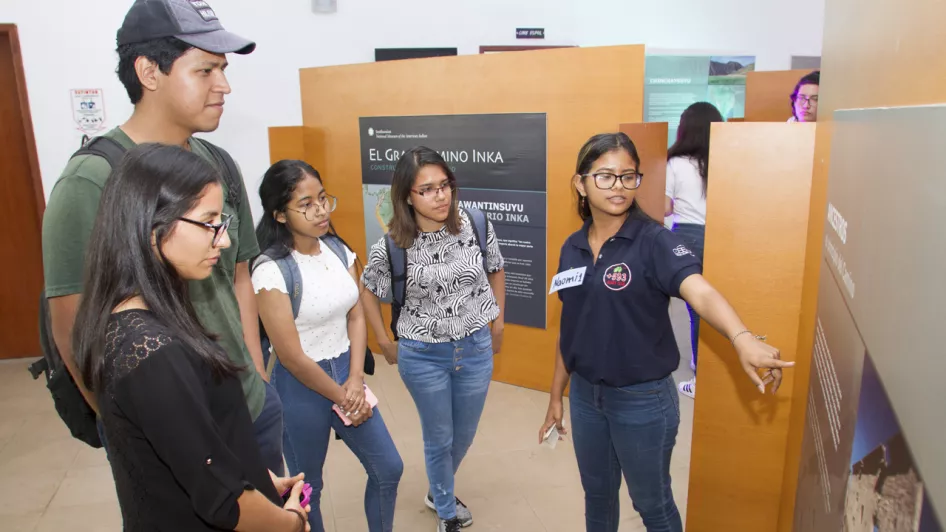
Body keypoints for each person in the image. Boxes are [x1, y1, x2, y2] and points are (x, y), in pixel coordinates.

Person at [40, 0, 285, 473]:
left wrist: (255, 377)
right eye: (206, 70)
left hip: (249, 406)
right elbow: (72, 326)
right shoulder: (91, 182)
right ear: (149, 72)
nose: (225, 85)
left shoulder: (218, 164)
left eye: (224, 69)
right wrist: (130, 427)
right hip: (170, 427)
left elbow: (239, 277)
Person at [539, 133, 794, 532]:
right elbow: (570, 326)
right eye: (605, 176)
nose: (618, 186)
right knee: (598, 498)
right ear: (580, 183)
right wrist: (557, 395)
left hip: (643, 399)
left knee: (652, 504)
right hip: (587, 396)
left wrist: (741, 337)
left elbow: (701, 291)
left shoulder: (654, 241)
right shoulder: (572, 246)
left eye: (628, 176)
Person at [71, 144, 310, 531]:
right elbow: (224, 503)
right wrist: (292, 522)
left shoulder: (145, 317)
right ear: (153, 226)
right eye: (210, 222)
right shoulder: (151, 353)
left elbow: (194, 451)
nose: (225, 240)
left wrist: (257, 478)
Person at [252, 160, 403, 532]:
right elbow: (290, 355)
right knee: (308, 488)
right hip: (299, 385)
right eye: (306, 204)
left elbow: (355, 314)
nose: (320, 210)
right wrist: (342, 397)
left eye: (323, 198)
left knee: (388, 468)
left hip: (346, 375)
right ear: (280, 214)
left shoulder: (338, 250)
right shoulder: (271, 269)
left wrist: (354, 379)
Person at [360, 147, 506, 532]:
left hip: (475, 347)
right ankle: (445, 509)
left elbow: (496, 268)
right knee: (439, 436)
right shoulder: (391, 244)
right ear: (407, 195)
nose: (440, 196)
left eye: (445, 186)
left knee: (465, 435)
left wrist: (498, 321)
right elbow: (368, 291)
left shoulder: (474, 222)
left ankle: (437, 488)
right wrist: (383, 341)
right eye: (427, 189)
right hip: (423, 354)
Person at [664, 102, 724, 399]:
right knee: (715, 301)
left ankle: (703, 376)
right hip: (723, 234)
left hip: (687, 236)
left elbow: (663, 206)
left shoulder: (675, 163)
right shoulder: (726, 158)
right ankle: (708, 364)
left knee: (696, 307)